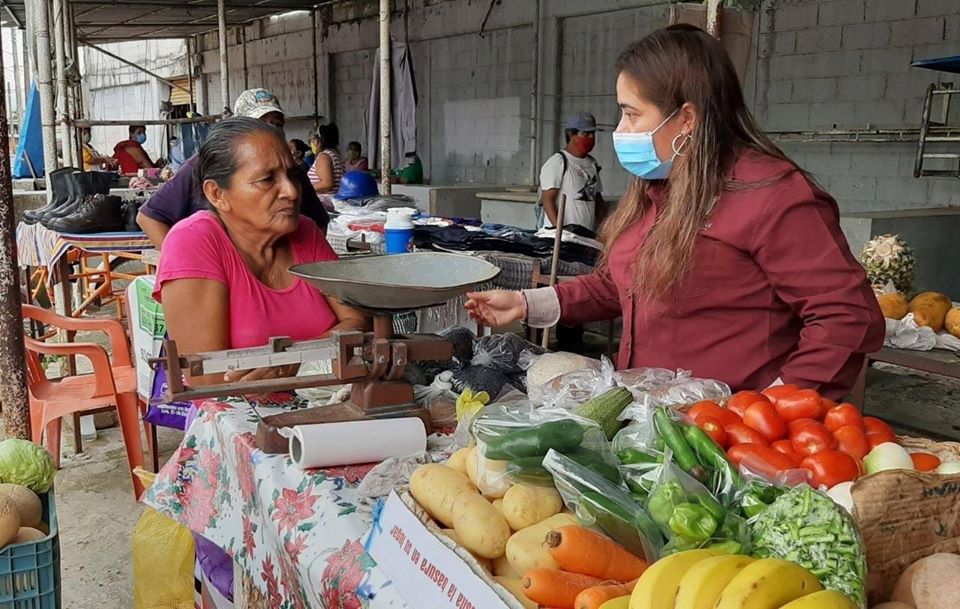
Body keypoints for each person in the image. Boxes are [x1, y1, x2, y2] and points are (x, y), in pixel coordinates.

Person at [465, 25, 885, 399]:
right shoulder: (656, 188)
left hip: (726, 442)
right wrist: (525, 303)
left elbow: (847, 318)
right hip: (650, 422)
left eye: (631, 114)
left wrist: (772, 409)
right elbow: (620, 287)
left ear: (686, 118)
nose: (620, 130)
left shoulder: (771, 195)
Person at [154, 117, 367, 386]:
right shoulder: (193, 241)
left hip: (323, 399)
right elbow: (206, 376)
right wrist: (311, 356)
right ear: (217, 194)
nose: (291, 191)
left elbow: (357, 321)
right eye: (267, 179)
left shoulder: (306, 231)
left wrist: (290, 360)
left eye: (292, 175)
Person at [136, 88, 330, 248]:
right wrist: (181, 263)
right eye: (260, 124)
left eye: (276, 124)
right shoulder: (203, 165)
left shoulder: (289, 168)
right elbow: (149, 217)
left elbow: (317, 223)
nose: (290, 191)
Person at [538, 112, 606, 233]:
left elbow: (597, 198)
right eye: (585, 134)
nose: (591, 138)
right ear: (571, 134)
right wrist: (560, 232)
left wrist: (605, 229)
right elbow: (547, 200)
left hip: (586, 234)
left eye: (593, 134)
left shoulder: (592, 164)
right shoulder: (558, 162)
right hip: (561, 236)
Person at [306, 123, 344, 195]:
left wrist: (305, 190)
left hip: (324, 201)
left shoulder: (324, 157)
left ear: (319, 141)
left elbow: (327, 183)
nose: (311, 144)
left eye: (312, 140)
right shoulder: (335, 154)